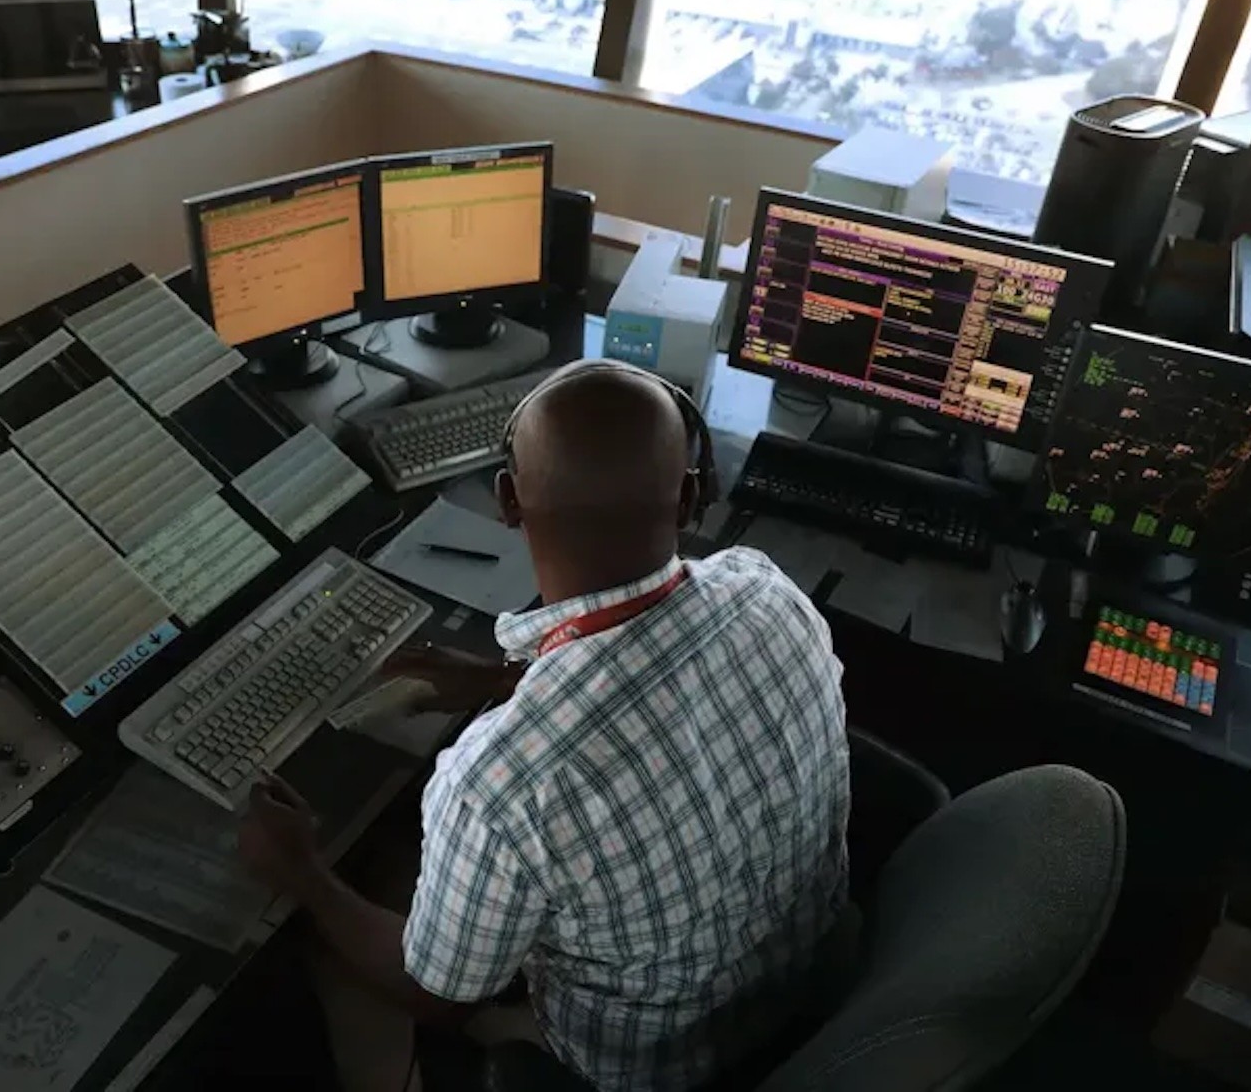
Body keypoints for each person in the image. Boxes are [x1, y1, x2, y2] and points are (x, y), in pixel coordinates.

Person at [239, 360, 851, 1092]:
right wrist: (509, 680)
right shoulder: (767, 589)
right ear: (690, 496)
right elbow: (658, 677)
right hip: (817, 995)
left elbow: (436, 993)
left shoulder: (498, 783)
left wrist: (302, 872)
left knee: (335, 947)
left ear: (507, 499)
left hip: (661, 1070)